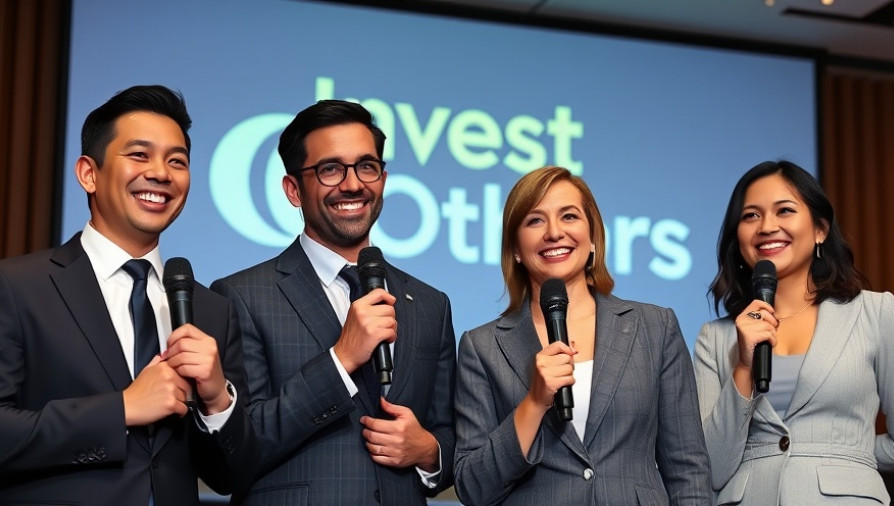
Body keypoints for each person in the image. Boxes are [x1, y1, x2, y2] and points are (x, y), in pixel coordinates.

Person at [0, 85, 257, 505]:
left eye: (177, 161)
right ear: (89, 173)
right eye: (140, 155)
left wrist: (217, 399)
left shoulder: (210, 309)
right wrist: (119, 410)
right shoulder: (17, 286)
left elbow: (233, 475)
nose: (160, 173)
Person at [210, 99, 456, 505]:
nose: (353, 184)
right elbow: (238, 445)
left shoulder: (430, 303)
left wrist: (430, 453)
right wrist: (340, 360)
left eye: (366, 166)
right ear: (293, 190)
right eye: (330, 170)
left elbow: (449, 435)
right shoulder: (241, 296)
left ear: (383, 177)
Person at [454, 166, 713, 505]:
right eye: (535, 220)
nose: (554, 232)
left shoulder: (654, 327)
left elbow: (688, 469)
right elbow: (473, 487)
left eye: (569, 216)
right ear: (515, 248)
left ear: (592, 238)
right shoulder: (482, 347)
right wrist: (533, 403)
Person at [694, 160, 894, 504]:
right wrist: (743, 368)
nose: (766, 226)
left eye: (784, 210)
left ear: (820, 229)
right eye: (750, 216)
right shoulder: (714, 338)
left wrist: (845, 456)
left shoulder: (876, 313)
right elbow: (711, 466)